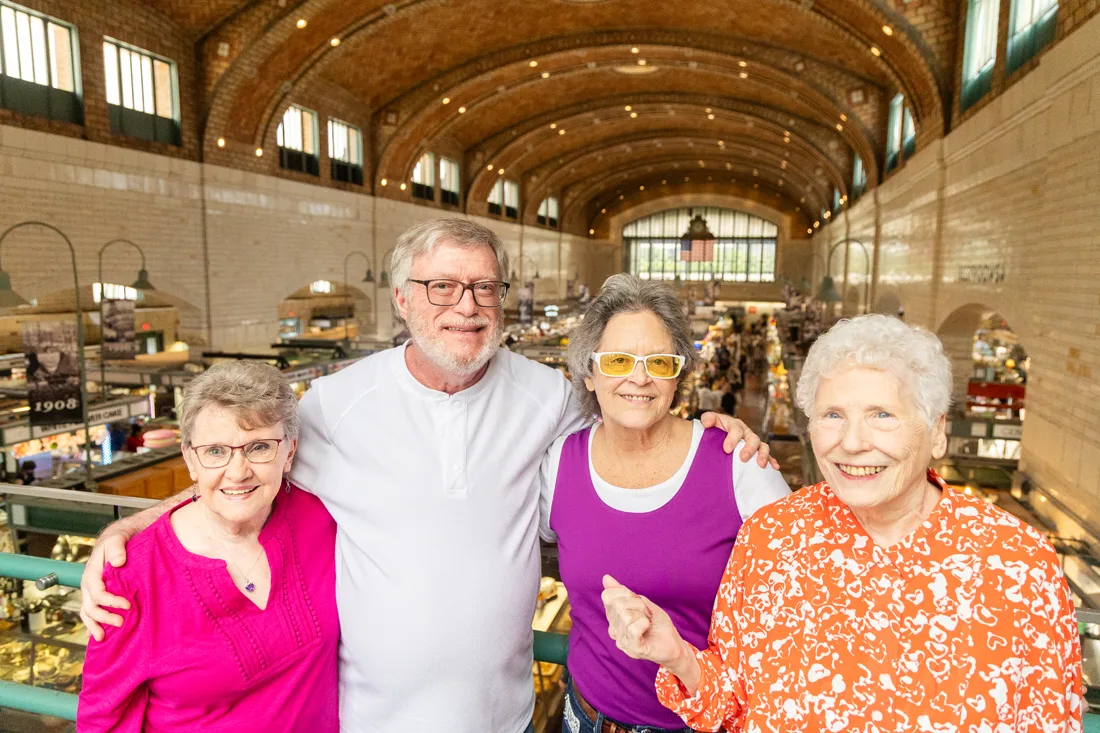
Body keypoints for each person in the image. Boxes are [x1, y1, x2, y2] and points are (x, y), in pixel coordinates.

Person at [80, 219, 773, 733]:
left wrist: (716, 428)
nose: (465, 306)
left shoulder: (549, 398)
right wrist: (138, 524)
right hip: (370, 720)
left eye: (483, 287)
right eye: (441, 286)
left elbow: (632, 423)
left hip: (506, 719)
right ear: (402, 298)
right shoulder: (335, 405)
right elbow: (246, 468)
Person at [602, 314, 1083, 732]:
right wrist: (678, 655)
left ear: (937, 430)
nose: (852, 443)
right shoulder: (772, 538)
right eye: (832, 415)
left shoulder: (1018, 566)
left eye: (882, 415)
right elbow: (734, 705)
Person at [540, 275, 789, 732]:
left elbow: (796, 606)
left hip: (701, 723)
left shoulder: (739, 465)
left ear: (678, 376)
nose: (639, 378)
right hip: (585, 717)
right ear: (589, 374)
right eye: (618, 361)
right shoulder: (560, 464)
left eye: (658, 362)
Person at [78, 361, 338, 732]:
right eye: (215, 451)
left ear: (290, 452)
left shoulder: (321, 518)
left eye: (259, 447)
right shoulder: (133, 576)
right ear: (190, 459)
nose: (238, 471)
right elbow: (103, 718)